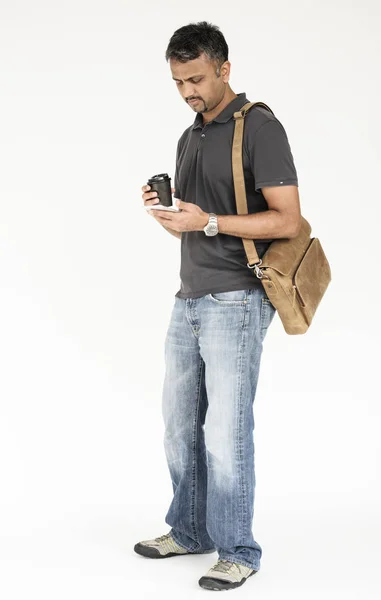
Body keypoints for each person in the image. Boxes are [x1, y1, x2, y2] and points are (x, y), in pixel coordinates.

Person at [134, 21, 301, 592]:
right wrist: (170, 216)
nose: (188, 92)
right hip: (189, 300)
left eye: (197, 79)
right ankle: (188, 529)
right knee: (180, 427)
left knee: (225, 432)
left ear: (224, 69)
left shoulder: (259, 127)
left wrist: (205, 220)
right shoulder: (190, 137)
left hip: (239, 299)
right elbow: (194, 230)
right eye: (179, 82)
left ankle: (238, 549)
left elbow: (288, 219)